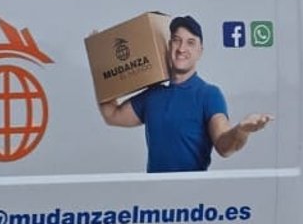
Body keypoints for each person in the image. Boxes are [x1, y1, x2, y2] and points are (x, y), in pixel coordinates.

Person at [99, 15, 269, 174]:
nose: (181, 49)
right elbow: (111, 115)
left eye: (190, 42)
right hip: (154, 198)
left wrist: (241, 130)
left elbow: (224, 146)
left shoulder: (209, 94)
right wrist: (100, 63)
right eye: (176, 40)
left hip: (191, 199)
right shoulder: (152, 95)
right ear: (168, 46)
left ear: (199, 51)